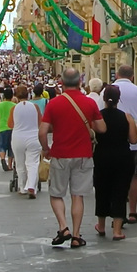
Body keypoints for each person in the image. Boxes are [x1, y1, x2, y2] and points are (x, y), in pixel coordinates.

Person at [39, 68, 106, 248]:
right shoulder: (89, 103)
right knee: (78, 196)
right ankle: (76, 236)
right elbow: (102, 128)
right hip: (83, 154)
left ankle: (63, 227)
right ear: (79, 83)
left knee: (56, 194)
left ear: (61, 82)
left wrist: (46, 148)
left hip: (60, 154)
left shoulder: (53, 104)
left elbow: (42, 131)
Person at [93, 84, 137, 240]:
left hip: (102, 157)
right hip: (122, 158)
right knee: (120, 192)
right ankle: (117, 230)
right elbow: (133, 140)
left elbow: (92, 136)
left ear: (104, 99)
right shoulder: (126, 117)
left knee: (102, 190)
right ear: (119, 99)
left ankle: (101, 225)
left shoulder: (98, 117)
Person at [110, 65, 137, 225]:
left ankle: (117, 213)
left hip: (114, 140)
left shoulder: (108, 90)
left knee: (115, 178)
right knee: (133, 177)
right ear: (132, 76)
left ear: (117, 75)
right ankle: (133, 212)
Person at [10, 85, 43, 197]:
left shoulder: (14, 108)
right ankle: (31, 186)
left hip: (18, 137)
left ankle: (21, 186)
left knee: (20, 163)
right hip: (33, 137)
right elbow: (40, 123)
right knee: (33, 163)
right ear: (28, 94)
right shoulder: (35, 107)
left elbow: (10, 124)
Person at [0, 88, 15, 172]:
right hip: (12, 128)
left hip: (2, 128)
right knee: (11, 147)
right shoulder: (14, 105)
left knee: (2, 146)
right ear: (12, 96)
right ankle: (10, 165)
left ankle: (2, 159)